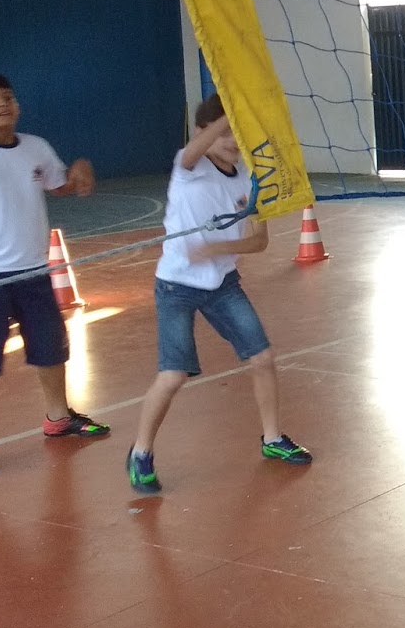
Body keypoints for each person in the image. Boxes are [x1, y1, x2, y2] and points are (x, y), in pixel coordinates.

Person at [126, 94, 311, 495]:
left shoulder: (248, 178)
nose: (230, 141)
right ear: (202, 133)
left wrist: (217, 248)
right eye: (223, 133)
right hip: (177, 287)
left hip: (223, 285)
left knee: (262, 357)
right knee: (173, 374)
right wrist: (230, 109)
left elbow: (259, 241)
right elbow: (195, 149)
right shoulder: (187, 169)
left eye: (237, 134)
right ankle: (141, 453)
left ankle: (273, 439)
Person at [0, 74, 107, 477]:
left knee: (51, 348)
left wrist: (78, 173)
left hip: (33, 271)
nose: (3, 104)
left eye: (8, 97)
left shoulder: (35, 147)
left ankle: (58, 418)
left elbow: (59, 185)